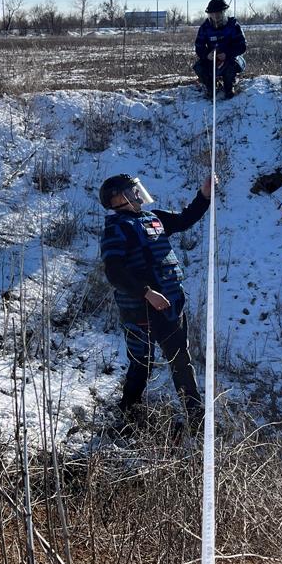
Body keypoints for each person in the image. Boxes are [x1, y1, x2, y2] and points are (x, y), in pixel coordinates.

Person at [99, 172, 214, 433]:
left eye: (137, 188)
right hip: (140, 309)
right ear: (117, 198)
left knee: (181, 361)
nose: (139, 193)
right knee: (142, 364)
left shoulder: (154, 218)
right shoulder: (116, 228)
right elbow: (114, 272)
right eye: (132, 190)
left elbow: (185, 219)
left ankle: (197, 421)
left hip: (172, 306)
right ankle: (127, 418)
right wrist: (147, 292)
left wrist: (204, 195)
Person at [192, 0, 247, 99]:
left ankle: (229, 86)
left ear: (224, 12)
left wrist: (227, 53)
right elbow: (199, 46)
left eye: (218, 13)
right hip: (212, 59)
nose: (215, 16)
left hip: (231, 58)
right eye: (212, 14)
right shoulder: (205, 28)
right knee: (198, 67)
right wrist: (206, 55)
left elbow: (242, 46)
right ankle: (211, 86)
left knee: (230, 68)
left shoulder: (233, 25)